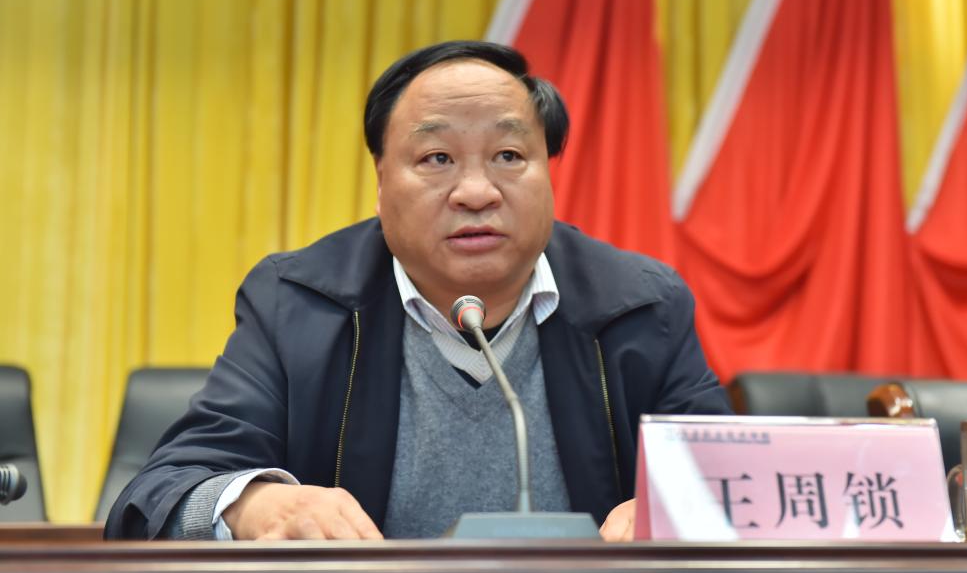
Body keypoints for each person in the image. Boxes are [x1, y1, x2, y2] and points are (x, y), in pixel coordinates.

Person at [104, 41, 732, 542]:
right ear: (382, 181)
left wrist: (682, 506)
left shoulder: (640, 305)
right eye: (437, 159)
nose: (477, 192)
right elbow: (161, 492)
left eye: (509, 155)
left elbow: (737, 482)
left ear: (548, 173)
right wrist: (260, 505)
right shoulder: (297, 304)